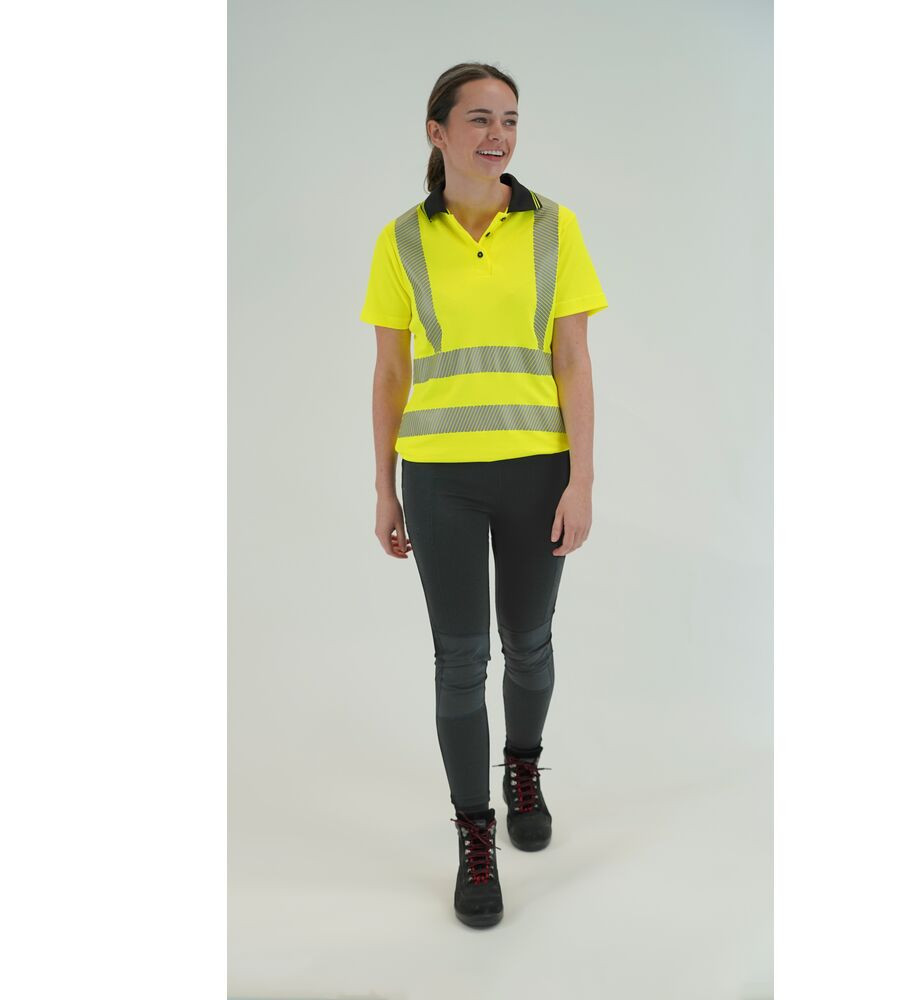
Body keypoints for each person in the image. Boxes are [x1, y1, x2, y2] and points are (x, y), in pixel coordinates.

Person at [359, 62, 608, 928]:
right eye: (478, 118)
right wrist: (384, 487)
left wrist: (581, 478)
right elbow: (390, 373)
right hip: (440, 480)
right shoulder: (400, 240)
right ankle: (475, 835)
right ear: (438, 133)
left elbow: (573, 358)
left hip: (537, 471)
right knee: (461, 659)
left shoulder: (555, 227)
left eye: (509, 119)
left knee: (528, 644)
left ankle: (523, 768)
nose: (497, 134)